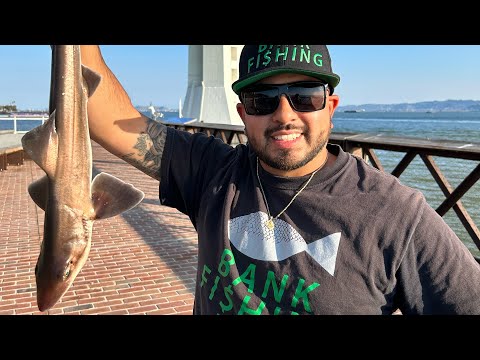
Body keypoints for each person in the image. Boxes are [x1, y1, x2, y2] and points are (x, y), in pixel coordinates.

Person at [80, 44, 480, 315]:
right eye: (262, 100)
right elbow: (105, 117)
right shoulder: (212, 173)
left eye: (304, 96)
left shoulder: (396, 213)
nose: (284, 114)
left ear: (331, 107)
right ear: (242, 113)